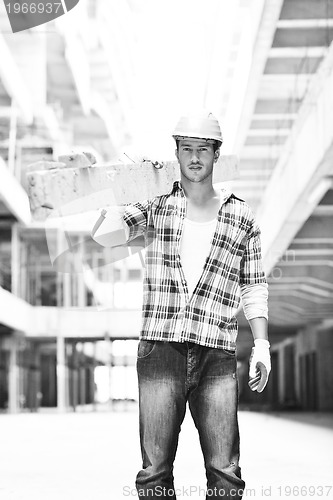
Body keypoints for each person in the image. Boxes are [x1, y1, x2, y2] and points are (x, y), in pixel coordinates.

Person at [91, 111, 271, 500]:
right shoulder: (157, 205)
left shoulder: (241, 216)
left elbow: (254, 284)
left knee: (226, 472)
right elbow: (105, 237)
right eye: (186, 149)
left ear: (216, 155)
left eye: (202, 149)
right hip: (160, 347)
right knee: (154, 472)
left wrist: (262, 345)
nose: (194, 157)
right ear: (176, 153)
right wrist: (123, 188)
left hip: (217, 352)